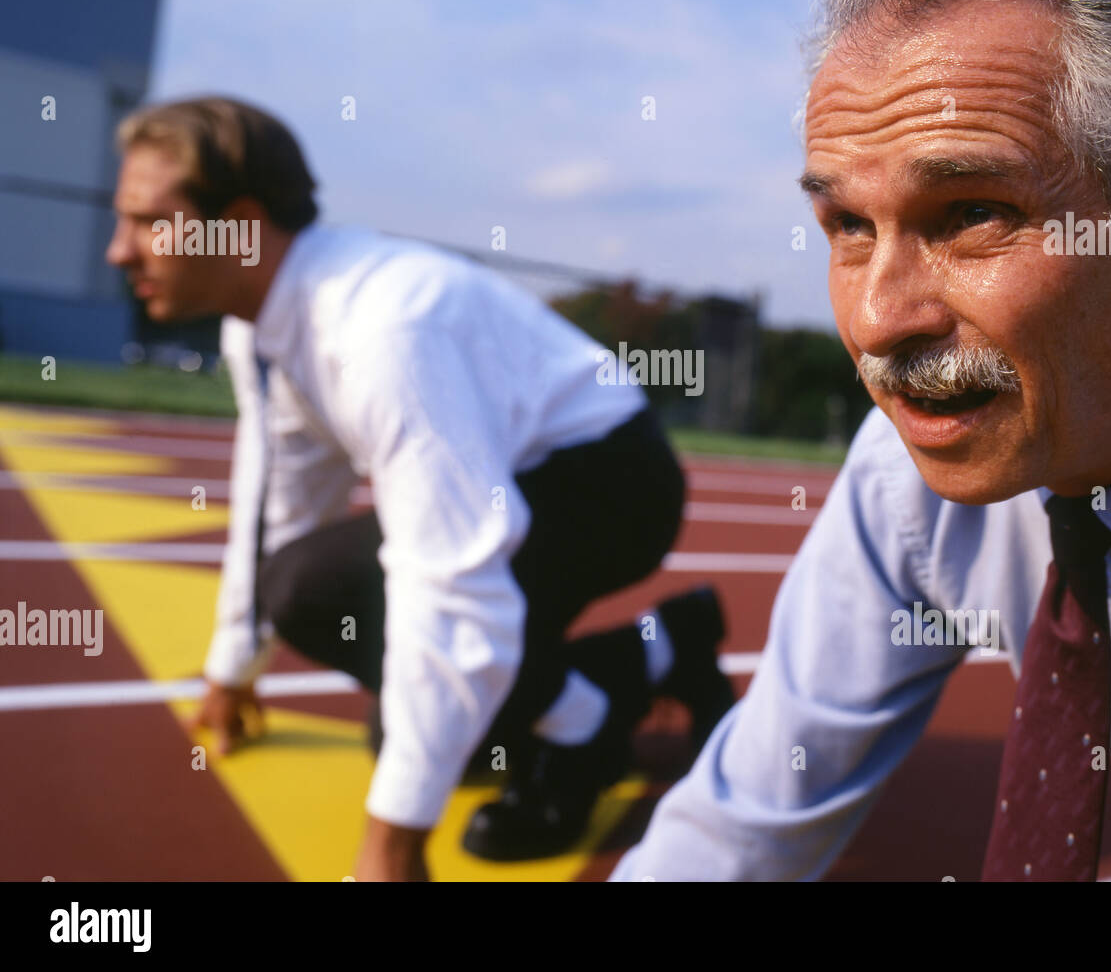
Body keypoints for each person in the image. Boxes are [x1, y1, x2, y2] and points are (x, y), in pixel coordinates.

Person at [613, 0, 1111, 882]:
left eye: (973, 211)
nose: (879, 320)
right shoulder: (907, 478)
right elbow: (744, 819)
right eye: (848, 226)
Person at [105, 96, 734, 879]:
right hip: (533, 474)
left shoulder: (382, 332)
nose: (118, 251)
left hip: (610, 481)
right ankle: (660, 649)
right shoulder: (256, 327)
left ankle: (585, 735)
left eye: (146, 221)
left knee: (431, 695)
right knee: (309, 597)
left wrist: (393, 845)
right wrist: (235, 663)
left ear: (235, 221)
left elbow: (458, 581)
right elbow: (285, 493)